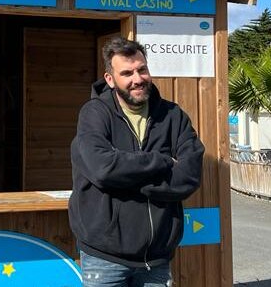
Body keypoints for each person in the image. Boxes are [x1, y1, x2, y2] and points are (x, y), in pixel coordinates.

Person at [69, 37, 205, 286]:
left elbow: (190, 176)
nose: (137, 79)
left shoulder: (173, 116)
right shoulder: (94, 115)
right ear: (110, 79)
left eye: (142, 69)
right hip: (104, 257)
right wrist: (162, 162)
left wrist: (126, 178)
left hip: (156, 259)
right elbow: (103, 169)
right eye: (127, 73)